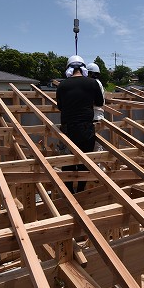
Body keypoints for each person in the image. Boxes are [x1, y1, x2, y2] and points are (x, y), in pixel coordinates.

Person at [55, 55, 104, 193]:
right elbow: (99, 103)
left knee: (68, 161)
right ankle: (81, 191)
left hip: (67, 129)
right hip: (86, 129)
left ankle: (70, 191)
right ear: (83, 69)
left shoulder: (62, 85)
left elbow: (60, 107)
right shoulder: (92, 83)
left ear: (68, 69)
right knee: (85, 161)